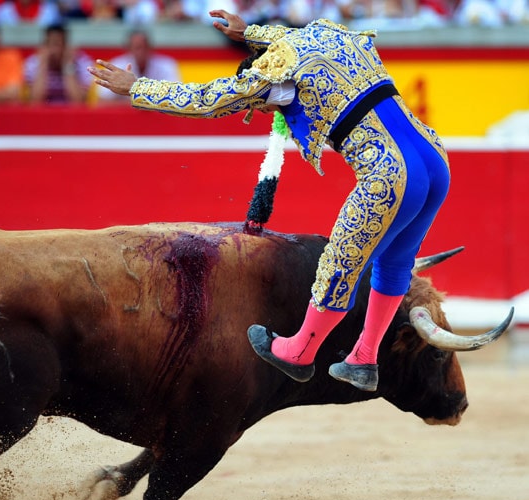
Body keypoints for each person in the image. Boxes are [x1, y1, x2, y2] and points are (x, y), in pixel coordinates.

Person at [88, 9, 451, 392]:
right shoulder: (322, 34)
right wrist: (248, 32)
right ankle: (363, 358)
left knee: (340, 260)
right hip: (435, 158)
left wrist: (137, 87)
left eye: (265, 108)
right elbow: (281, 36)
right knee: (394, 262)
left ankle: (299, 352)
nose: (271, 112)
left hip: (390, 172)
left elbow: (208, 99)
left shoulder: (273, 79)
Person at [94, 29, 180, 105]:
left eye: (145, 47)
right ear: (128, 49)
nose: (141, 52)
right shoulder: (116, 65)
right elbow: (102, 102)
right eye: (137, 48)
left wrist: (136, 101)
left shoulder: (166, 65)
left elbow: (176, 98)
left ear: (150, 47)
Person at [24, 23, 93, 104]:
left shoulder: (82, 62)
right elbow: (35, 101)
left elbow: (78, 102)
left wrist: (68, 64)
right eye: (50, 44)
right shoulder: (33, 63)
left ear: (66, 46)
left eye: (58, 44)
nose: (53, 50)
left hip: (71, 114)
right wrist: (43, 64)